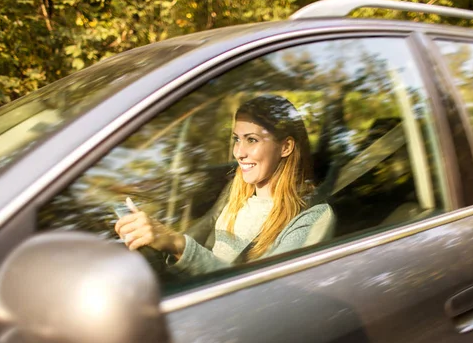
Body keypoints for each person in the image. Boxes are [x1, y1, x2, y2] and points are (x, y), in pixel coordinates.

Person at [115, 95, 335, 275]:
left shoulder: (312, 217)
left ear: (285, 147)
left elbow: (266, 292)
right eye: (236, 139)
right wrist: (156, 237)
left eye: (252, 140)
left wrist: (176, 243)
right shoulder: (236, 192)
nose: (238, 152)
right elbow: (198, 242)